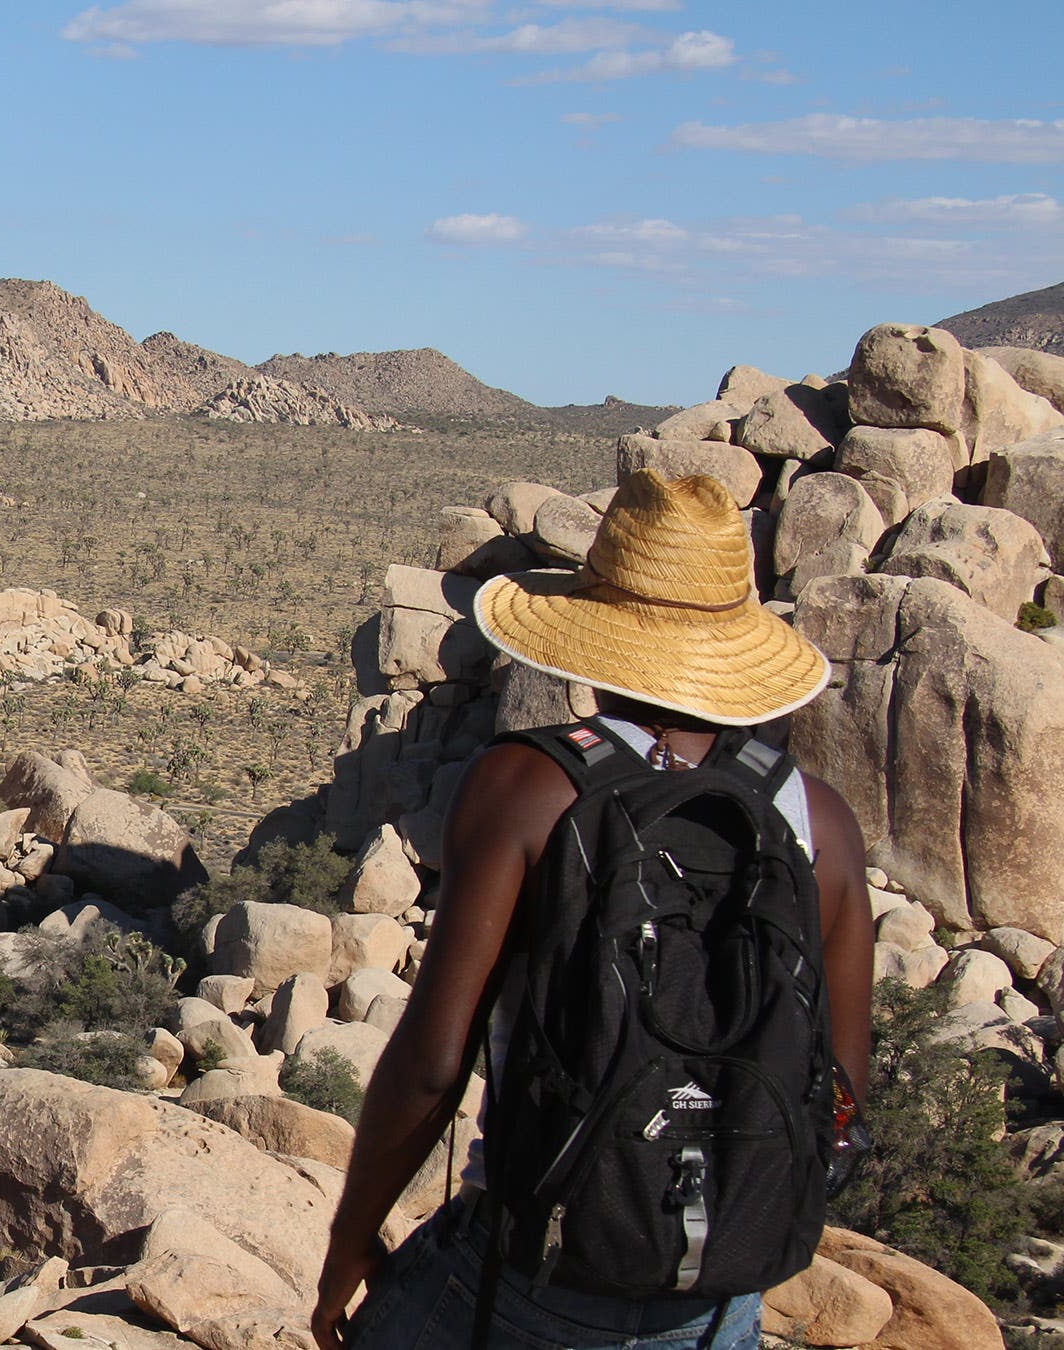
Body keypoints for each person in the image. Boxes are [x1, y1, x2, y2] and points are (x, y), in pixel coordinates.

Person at [310, 470, 875, 1350]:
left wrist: (351, 1237)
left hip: (538, 1279)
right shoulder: (821, 822)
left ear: (598, 633)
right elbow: (839, 1082)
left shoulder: (526, 785)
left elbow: (434, 1062)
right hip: (722, 1300)